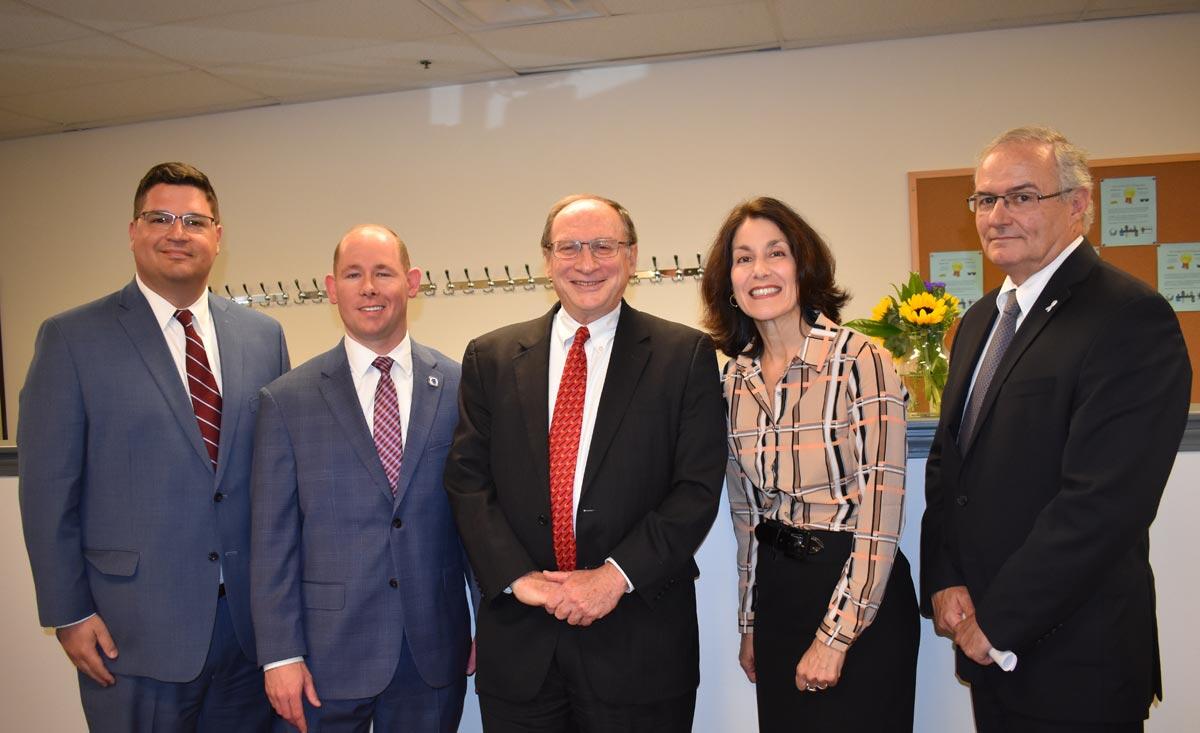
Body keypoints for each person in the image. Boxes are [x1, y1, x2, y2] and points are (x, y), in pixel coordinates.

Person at [920, 126, 1192, 732]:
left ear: (1078, 206)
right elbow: (950, 463)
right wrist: (946, 577)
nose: (997, 215)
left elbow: (1104, 503)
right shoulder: (980, 320)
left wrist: (1001, 619)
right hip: (987, 645)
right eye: (985, 200)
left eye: (1020, 196)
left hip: (1077, 656)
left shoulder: (1129, 317)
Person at [18, 162, 289, 731]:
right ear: (133, 230)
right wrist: (69, 613)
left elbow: (275, 480)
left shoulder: (262, 337)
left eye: (195, 220)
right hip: (131, 632)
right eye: (159, 218)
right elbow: (48, 491)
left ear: (218, 236)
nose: (177, 232)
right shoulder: (72, 338)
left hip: (246, 631)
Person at [443, 194, 726, 732]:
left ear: (632, 256)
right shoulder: (491, 358)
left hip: (639, 645)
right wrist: (518, 578)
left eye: (603, 245)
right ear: (547, 259)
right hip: (522, 650)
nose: (587, 262)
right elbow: (466, 480)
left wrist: (613, 579)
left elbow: (695, 489)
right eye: (570, 247)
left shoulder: (684, 356)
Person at [700, 196, 919, 732]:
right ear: (728, 281)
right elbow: (747, 516)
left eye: (776, 253)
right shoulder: (733, 380)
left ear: (803, 265)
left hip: (855, 589)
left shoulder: (860, 360)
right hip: (779, 593)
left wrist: (836, 637)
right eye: (743, 258)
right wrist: (750, 622)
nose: (760, 271)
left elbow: (879, 517)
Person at [250, 224, 475, 733]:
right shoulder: (286, 400)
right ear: (332, 289)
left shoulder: (461, 385)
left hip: (432, 651)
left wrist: (492, 625)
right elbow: (272, 541)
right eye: (353, 274)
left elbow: (477, 520)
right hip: (323, 659)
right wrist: (279, 655)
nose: (368, 287)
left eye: (383, 273)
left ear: (412, 282)